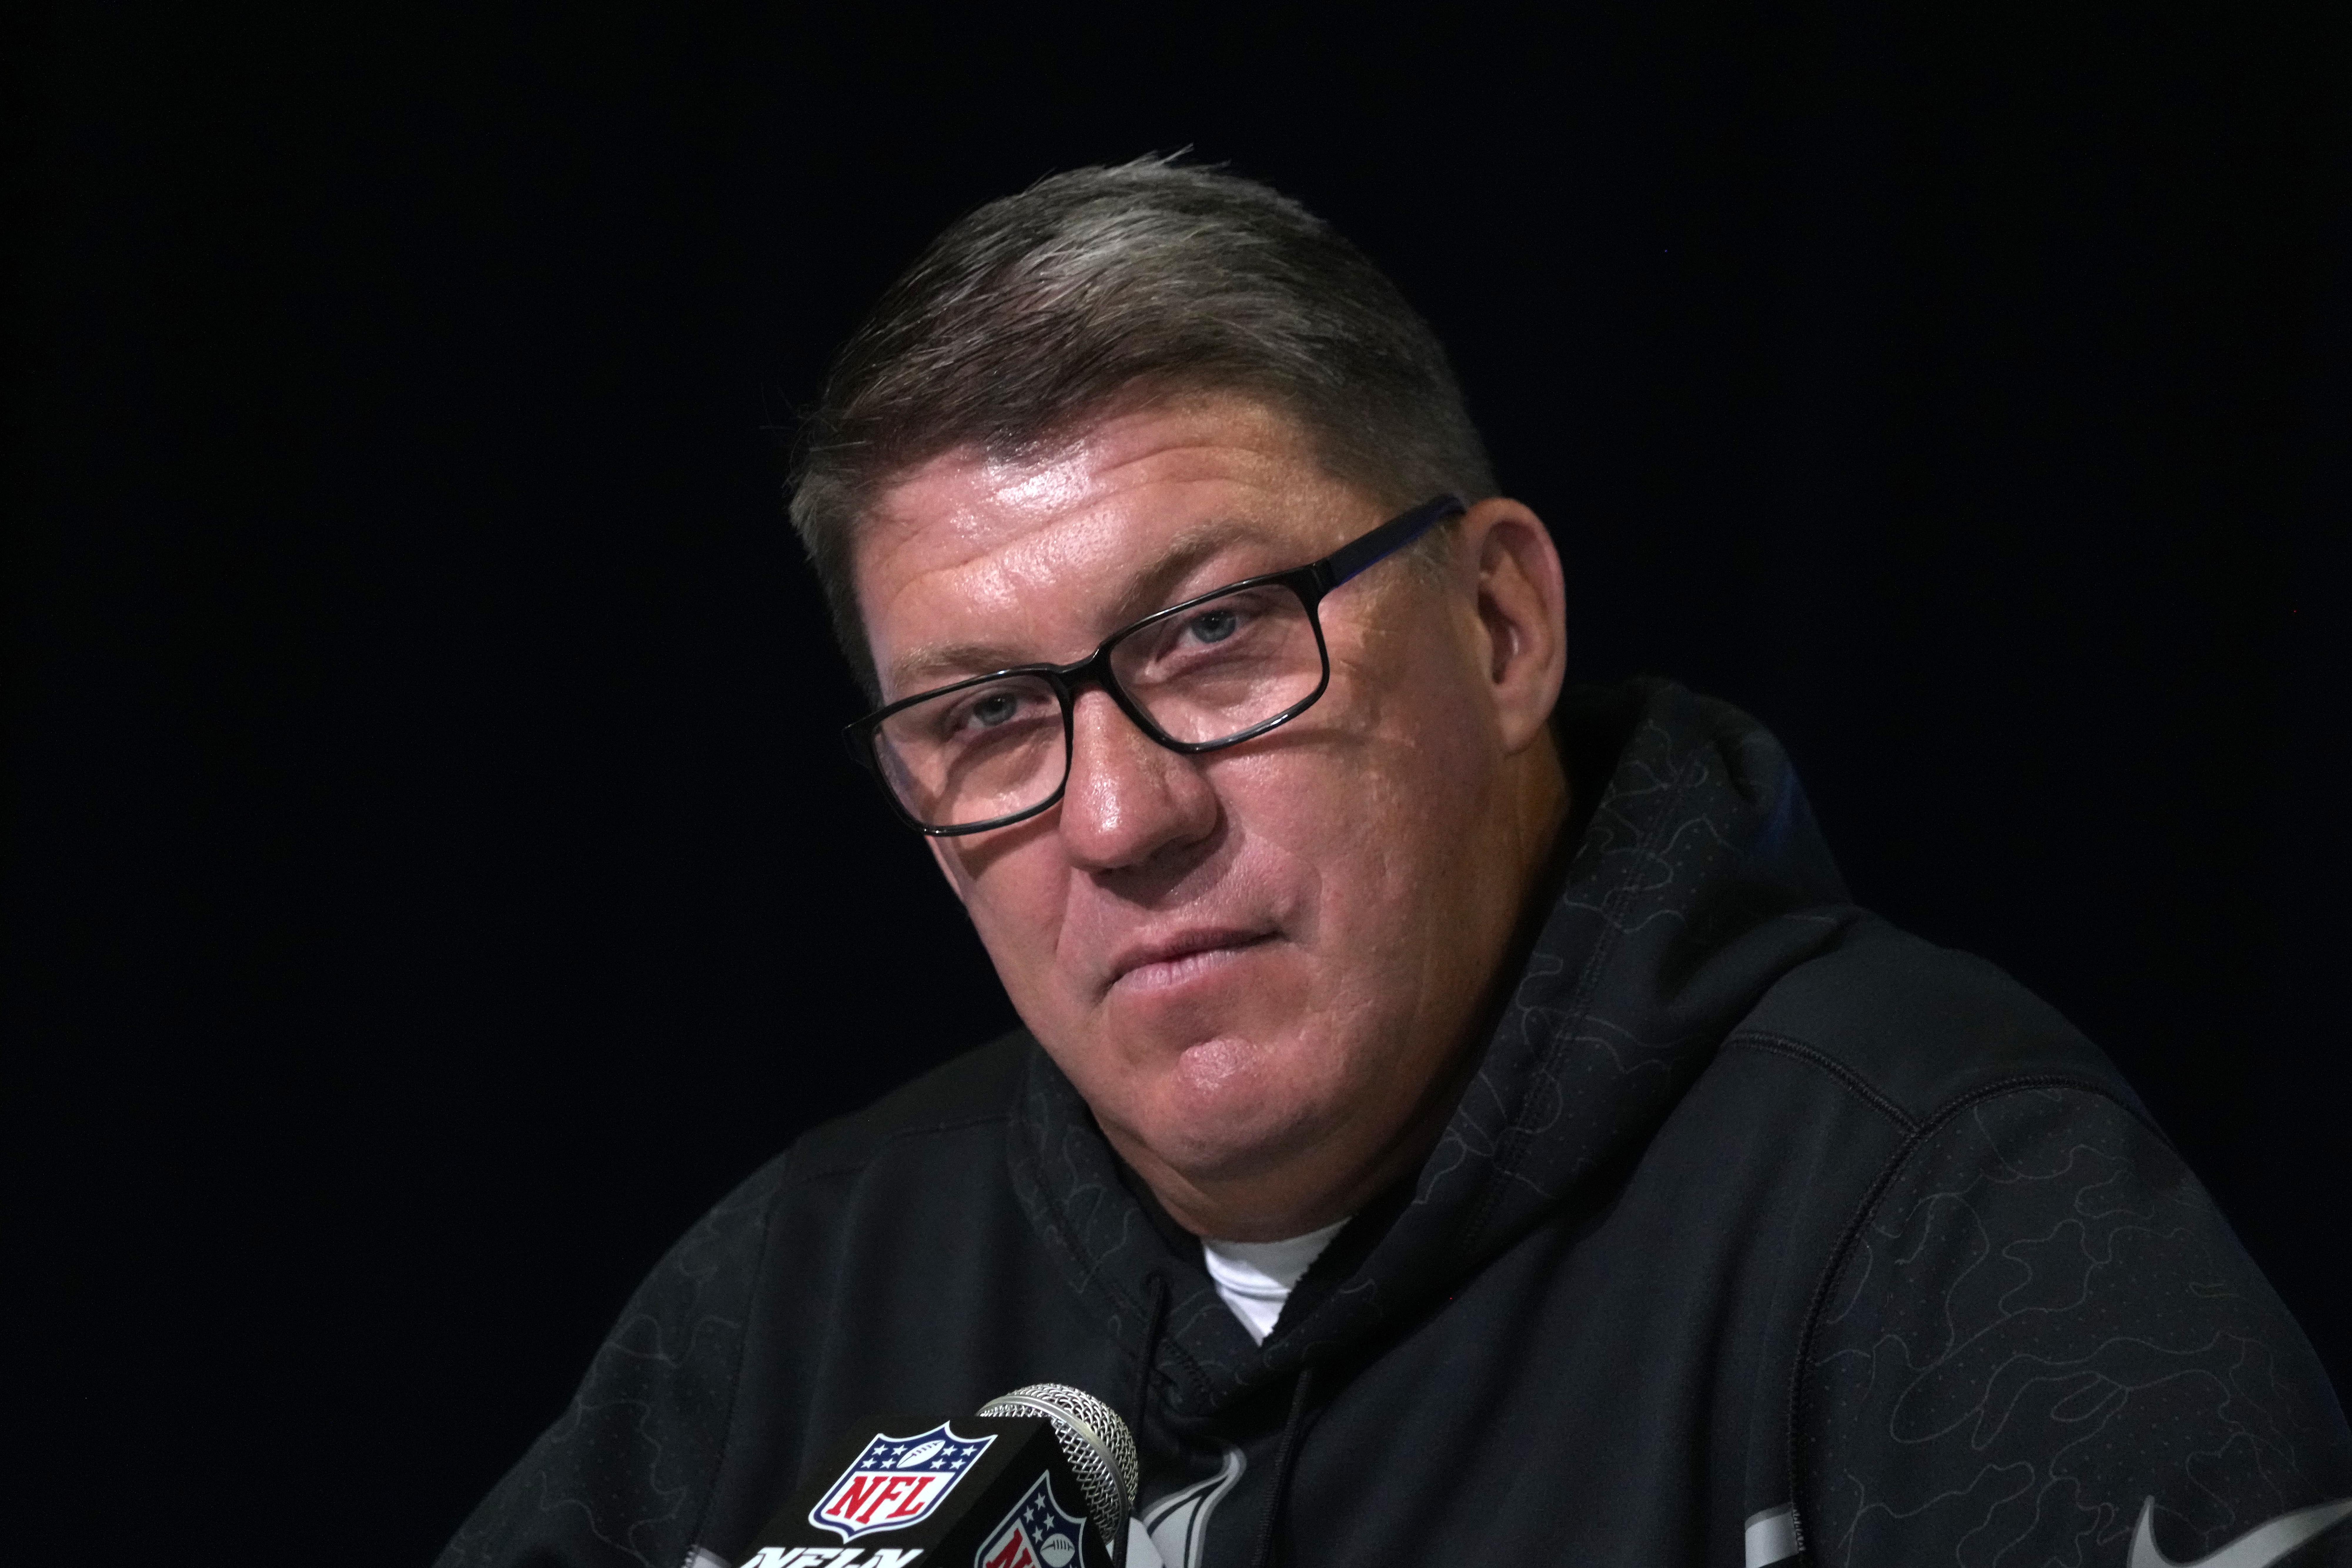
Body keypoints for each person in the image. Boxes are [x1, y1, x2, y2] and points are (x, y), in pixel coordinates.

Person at [438, 159, 2352, 1568]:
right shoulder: (797, 1290)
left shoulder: (1947, 1220)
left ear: (1503, 624)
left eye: (1212, 635)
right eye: (989, 718)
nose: (1118, 819)